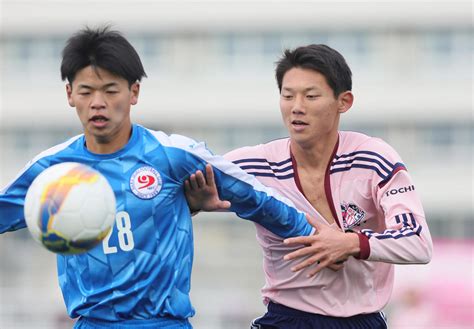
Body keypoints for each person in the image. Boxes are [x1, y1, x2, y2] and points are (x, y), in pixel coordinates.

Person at [0, 26, 320, 329]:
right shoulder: (52, 170)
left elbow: (256, 196)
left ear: (134, 92)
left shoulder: (171, 154)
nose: (98, 102)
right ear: (70, 94)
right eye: (86, 91)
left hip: (165, 322)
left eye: (111, 90)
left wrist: (315, 237)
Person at [185, 44, 433, 329]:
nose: (297, 107)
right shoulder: (253, 164)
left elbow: (418, 243)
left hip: (361, 321)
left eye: (311, 96)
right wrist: (194, 203)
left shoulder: (373, 159)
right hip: (285, 318)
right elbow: (174, 190)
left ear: (344, 101)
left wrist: (349, 243)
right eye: (287, 96)